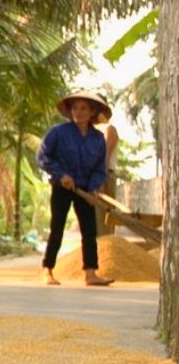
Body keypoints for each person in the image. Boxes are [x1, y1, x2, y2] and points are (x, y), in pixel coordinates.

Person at [38, 91, 114, 286]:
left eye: (83, 108)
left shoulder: (98, 139)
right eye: (75, 108)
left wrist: (94, 187)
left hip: (85, 189)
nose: (78, 112)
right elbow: (43, 157)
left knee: (89, 231)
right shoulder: (58, 132)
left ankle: (91, 273)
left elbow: (99, 167)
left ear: (92, 112)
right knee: (57, 227)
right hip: (62, 186)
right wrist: (61, 175)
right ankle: (48, 270)